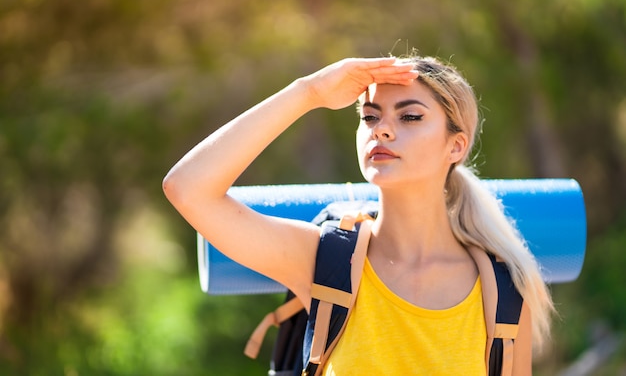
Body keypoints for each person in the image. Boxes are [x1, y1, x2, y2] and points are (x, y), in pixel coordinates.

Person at [163, 55, 554, 375]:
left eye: (410, 116)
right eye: (370, 116)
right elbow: (187, 189)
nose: (381, 130)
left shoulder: (503, 293)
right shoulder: (325, 260)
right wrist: (309, 91)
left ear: (456, 146)